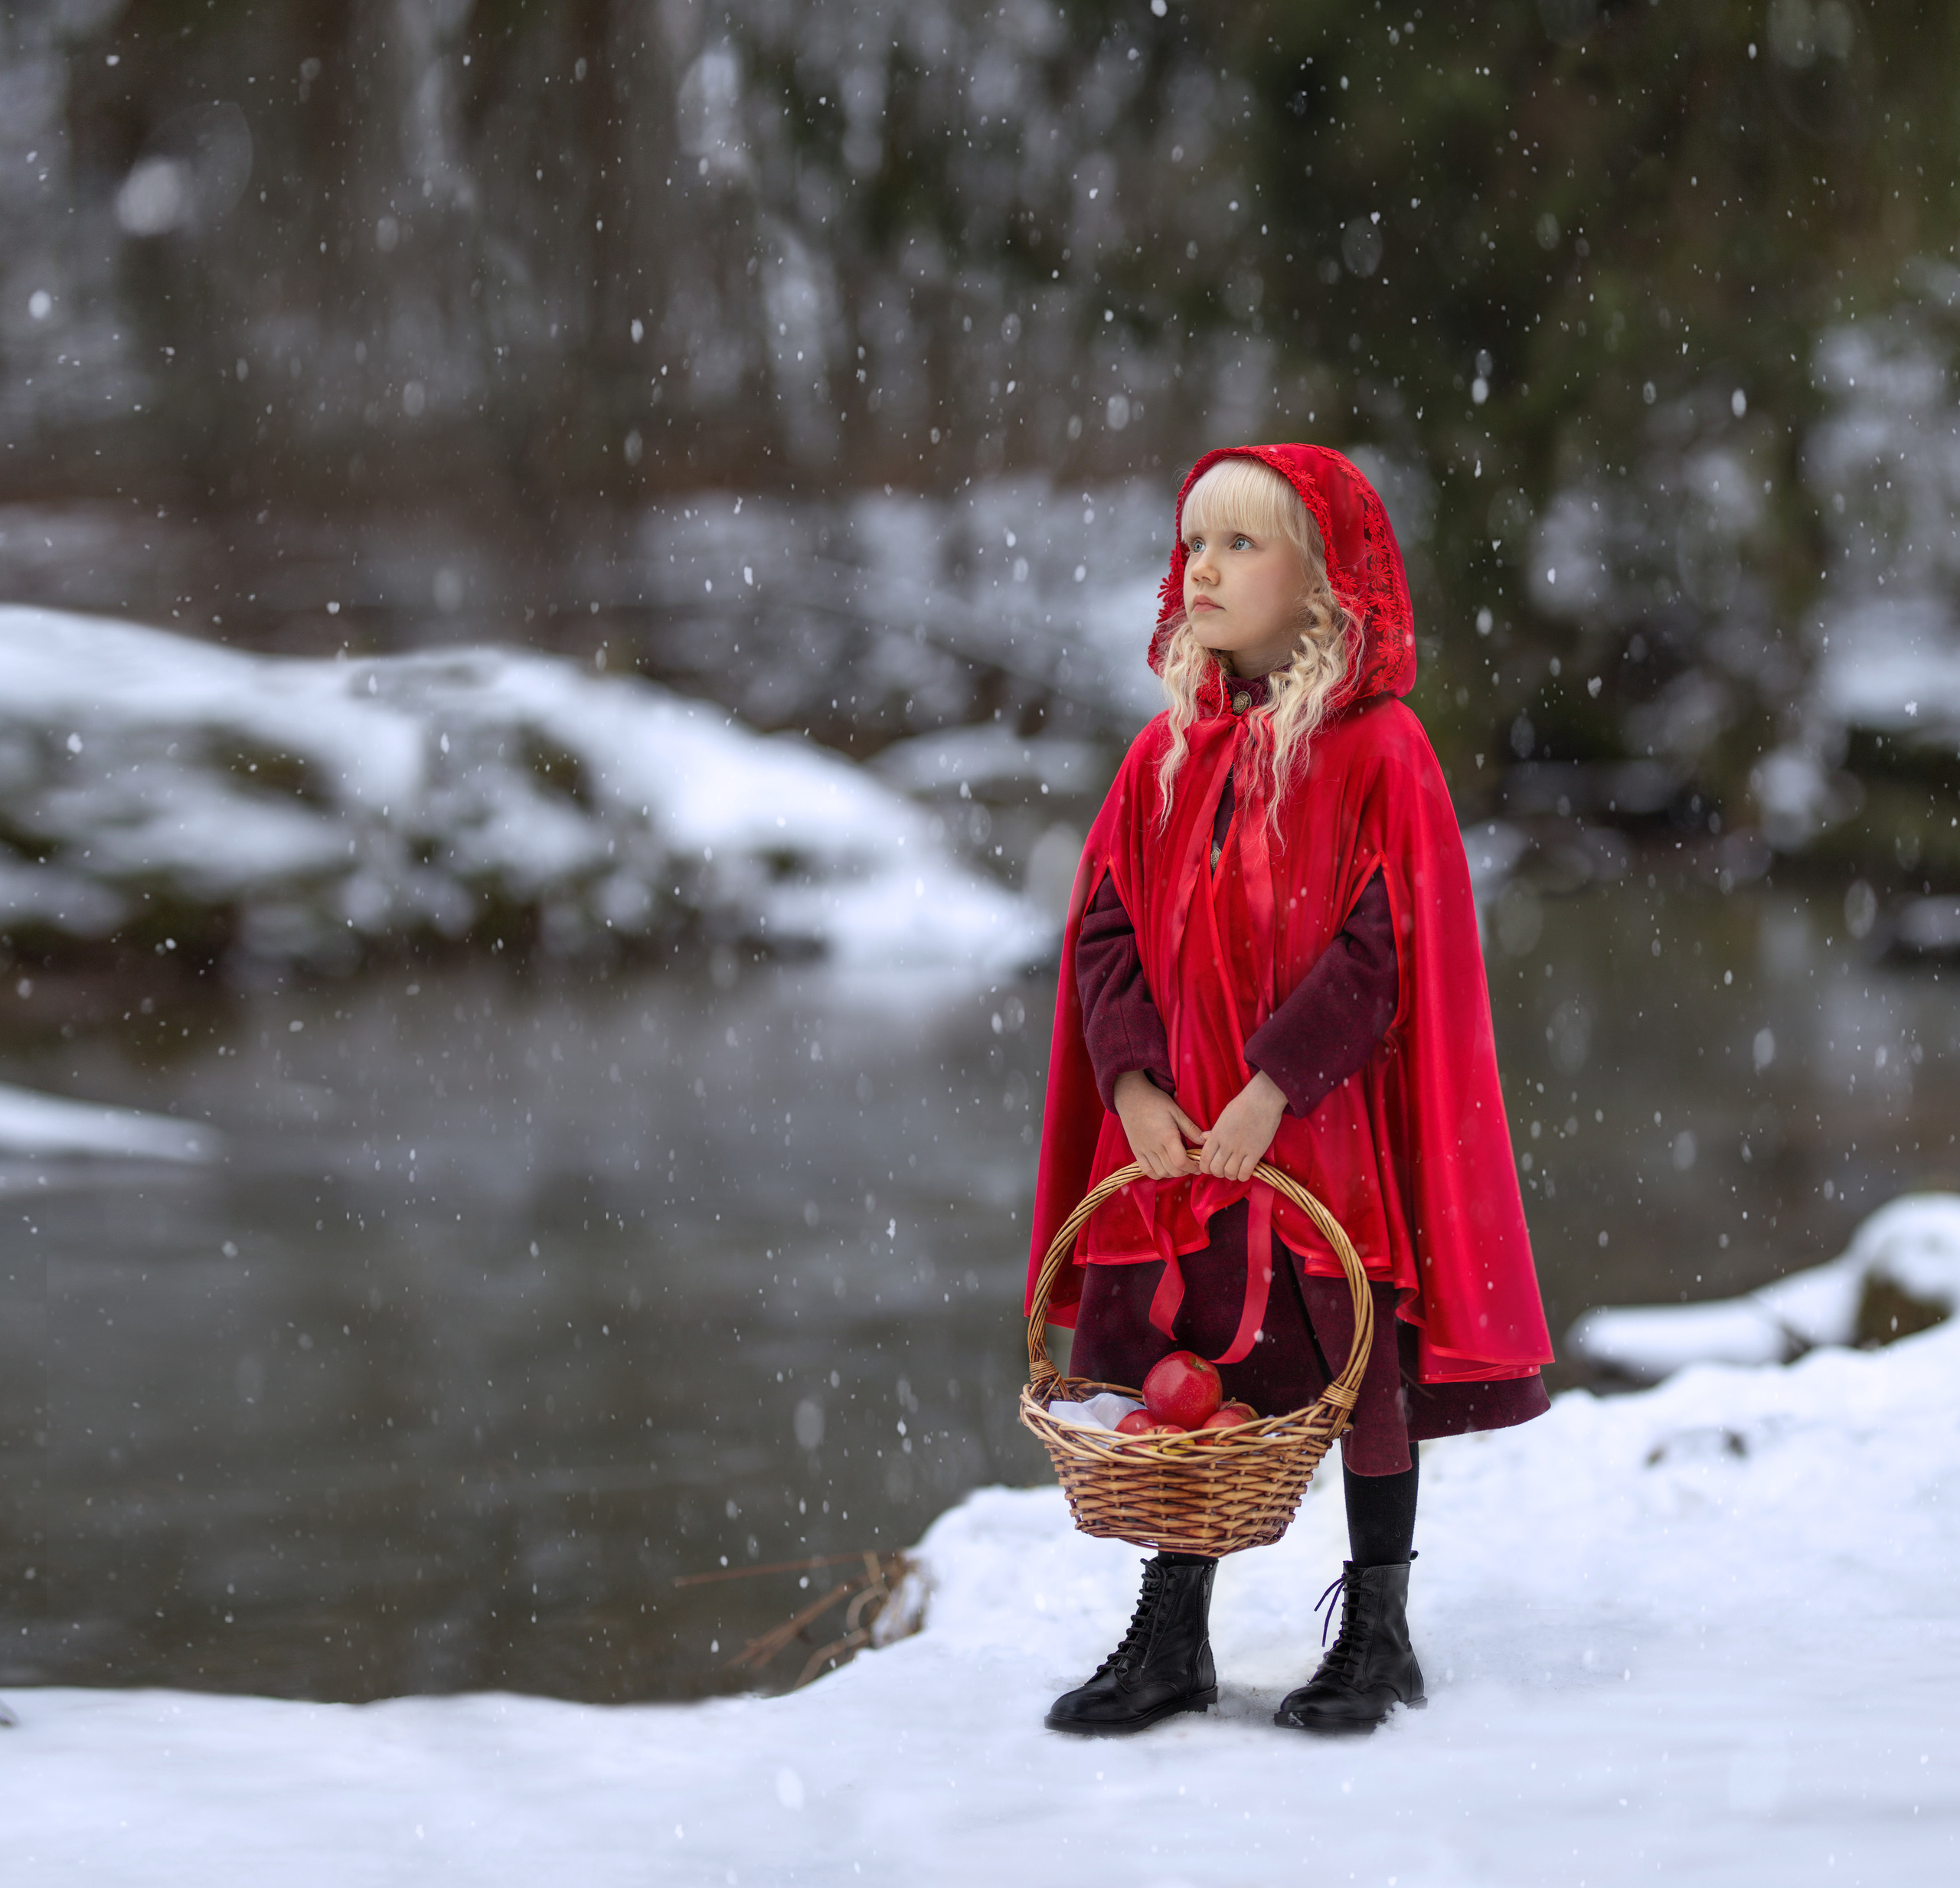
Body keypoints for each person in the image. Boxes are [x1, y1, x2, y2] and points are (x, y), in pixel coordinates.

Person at [1027, 445, 1554, 1737]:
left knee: (1357, 1362)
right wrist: (1138, 1088)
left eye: (1240, 547)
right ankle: (1174, 1634)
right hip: (1181, 1141)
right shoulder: (1166, 752)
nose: (1201, 569)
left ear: (1322, 584)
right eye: (1193, 543)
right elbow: (1103, 928)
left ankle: (1379, 1627)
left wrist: (1275, 1085)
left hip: (1322, 1135)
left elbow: (1385, 945)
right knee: (1185, 1363)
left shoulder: (1378, 751)